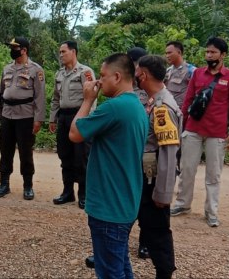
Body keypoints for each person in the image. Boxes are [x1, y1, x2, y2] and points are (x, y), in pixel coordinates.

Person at [69, 53, 149, 279]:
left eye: (103, 76)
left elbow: (75, 133)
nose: (99, 81)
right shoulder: (136, 105)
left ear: (117, 76)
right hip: (124, 202)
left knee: (110, 272)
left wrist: (87, 100)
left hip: (109, 206)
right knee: (121, 267)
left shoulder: (114, 107)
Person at [171, 36, 229, 227]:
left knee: (214, 175)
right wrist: (182, 128)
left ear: (223, 55)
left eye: (213, 52)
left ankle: (211, 212)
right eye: (207, 51)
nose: (209, 55)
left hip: (217, 132)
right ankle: (182, 204)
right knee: (187, 170)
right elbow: (187, 101)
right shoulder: (197, 74)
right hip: (193, 129)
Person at [135, 55, 181, 279]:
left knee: (157, 230)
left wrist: (163, 192)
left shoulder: (163, 107)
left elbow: (169, 152)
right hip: (145, 176)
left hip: (152, 180)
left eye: (137, 72)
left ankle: (164, 272)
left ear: (143, 75)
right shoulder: (153, 100)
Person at [0, 37, 46, 200]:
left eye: (15, 47)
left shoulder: (36, 70)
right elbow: (0, 93)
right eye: (11, 47)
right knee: (5, 150)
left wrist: (38, 119)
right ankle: (4, 183)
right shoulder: (7, 68)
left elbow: (40, 96)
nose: (12, 50)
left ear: (24, 50)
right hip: (7, 114)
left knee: (25, 152)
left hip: (26, 116)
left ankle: (28, 186)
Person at [49, 40, 95, 209]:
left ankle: (84, 194)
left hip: (80, 117)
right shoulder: (59, 74)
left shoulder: (85, 72)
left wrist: (87, 121)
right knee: (65, 155)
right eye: (60, 52)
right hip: (64, 117)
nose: (61, 55)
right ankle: (67, 192)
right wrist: (53, 118)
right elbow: (55, 98)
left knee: (82, 157)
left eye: (63, 52)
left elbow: (92, 97)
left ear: (73, 52)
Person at [126, 46, 151, 259]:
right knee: (124, 196)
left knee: (145, 200)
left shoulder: (151, 89)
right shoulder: (125, 87)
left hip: (147, 152)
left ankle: (145, 241)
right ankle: (118, 240)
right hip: (127, 150)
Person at [164, 41, 196, 108]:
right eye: (166, 53)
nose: (167, 56)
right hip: (168, 110)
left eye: (169, 53)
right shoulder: (167, 71)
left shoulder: (191, 71)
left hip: (182, 111)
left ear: (179, 52)